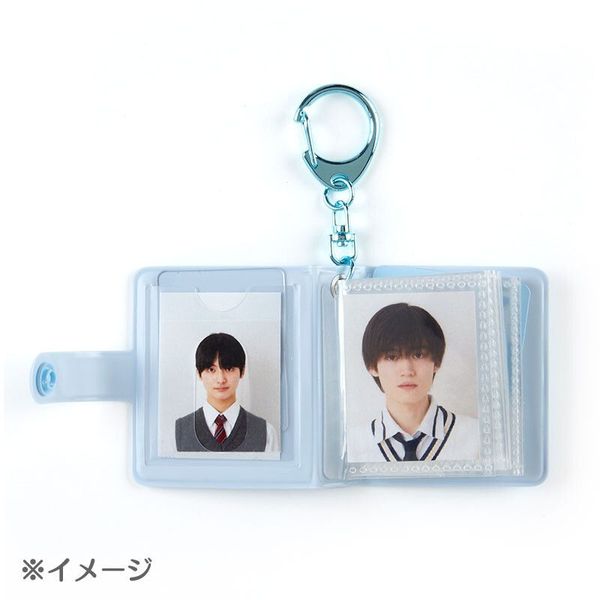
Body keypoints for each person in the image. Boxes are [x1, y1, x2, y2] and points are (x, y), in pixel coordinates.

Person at [357, 302, 479, 462]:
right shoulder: (353, 446)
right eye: (392, 357)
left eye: (418, 355)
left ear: (436, 362)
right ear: (372, 367)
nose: (407, 370)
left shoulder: (478, 438)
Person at [175, 333, 277, 452]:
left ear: (242, 371)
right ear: (199, 374)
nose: (221, 379)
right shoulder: (178, 433)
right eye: (211, 370)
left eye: (229, 369)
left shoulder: (266, 433)